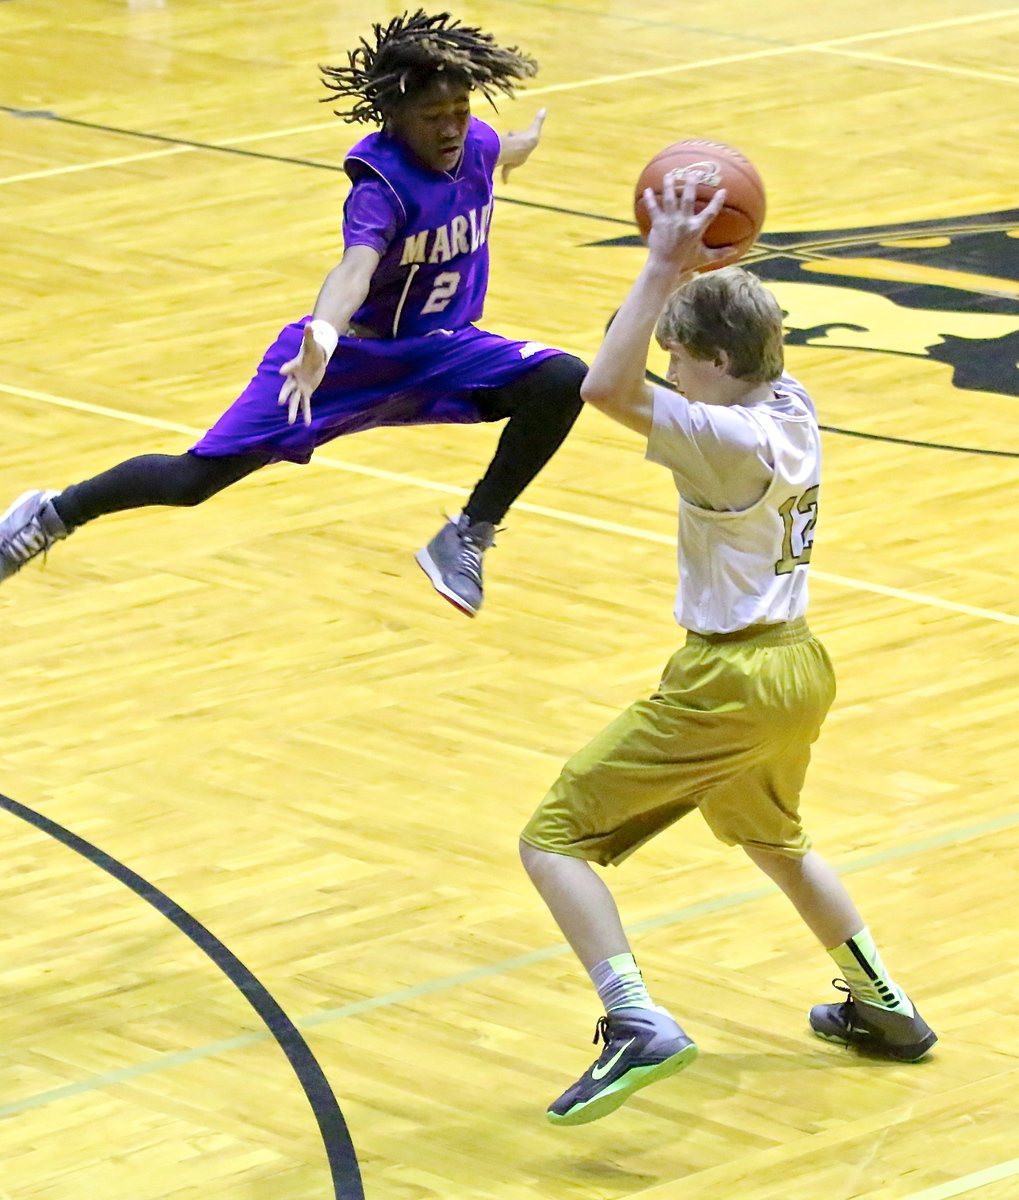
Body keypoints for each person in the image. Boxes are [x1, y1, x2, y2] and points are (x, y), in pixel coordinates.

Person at [518, 172, 936, 1127]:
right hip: (797, 664)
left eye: (680, 357)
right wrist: (689, 275)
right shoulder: (791, 402)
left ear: (714, 359)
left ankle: (634, 1021)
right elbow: (655, 350)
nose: (669, 371)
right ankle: (883, 1006)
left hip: (729, 679)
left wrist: (661, 264)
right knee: (773, 840)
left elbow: (603, 384)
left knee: (552, 840)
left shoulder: (722, 441)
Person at [0, 9, 585, 617]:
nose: (451, 128)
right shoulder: (380, 188)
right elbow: (354, 270)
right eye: (432, 116)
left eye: (460, 111)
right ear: (394, 118)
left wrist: (522, 147)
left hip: (439, 349)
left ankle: (467, 532)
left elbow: (497, 148)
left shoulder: (476, 144)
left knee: (563, 379)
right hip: (344, 359)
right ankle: (48, 516)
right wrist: (322, 337)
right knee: (190, 482)